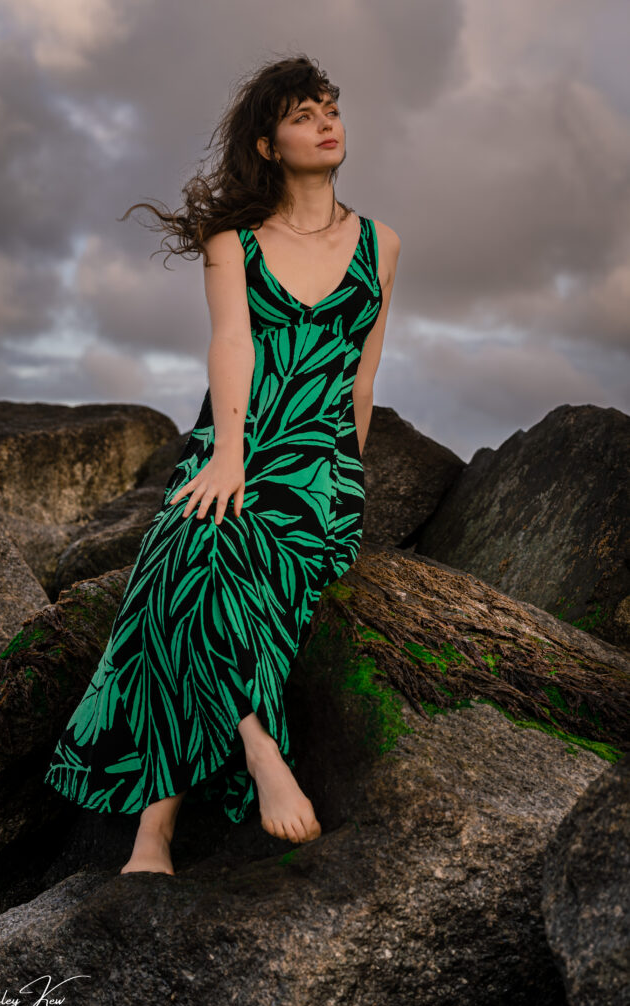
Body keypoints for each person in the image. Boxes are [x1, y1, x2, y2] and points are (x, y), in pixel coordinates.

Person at [44, 54, 400, 875]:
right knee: (186, 549)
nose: (325, 122)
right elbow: (230, 346)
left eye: (329, 108)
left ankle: (151, 833)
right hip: (234, 444)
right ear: (268, 144)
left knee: (216, 549)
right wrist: (232, 456)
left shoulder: (379, 243)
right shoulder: (231, 242)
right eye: (303, 114)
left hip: (318, 461)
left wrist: (341, 481)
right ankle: (252, 745)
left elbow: (362, 376)